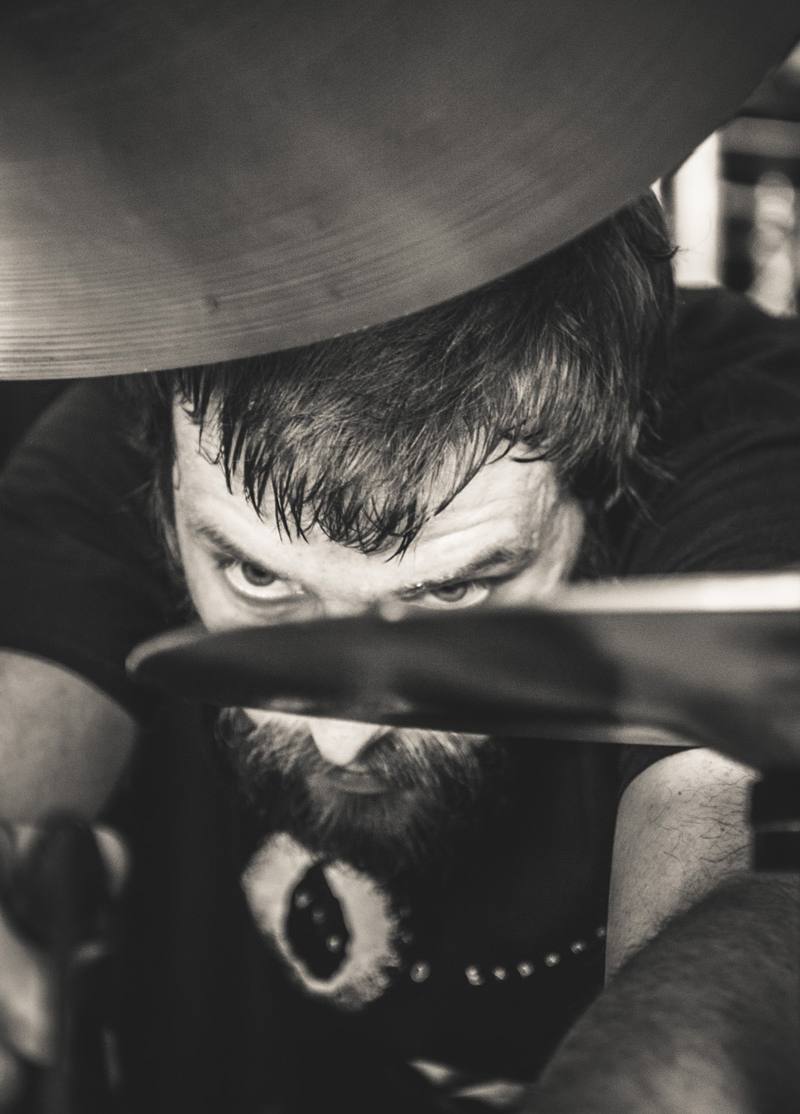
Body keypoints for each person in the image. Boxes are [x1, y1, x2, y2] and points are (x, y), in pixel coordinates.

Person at [0, 190, 799, 1112]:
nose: (342, 737)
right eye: (256, 580)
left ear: (613, 472)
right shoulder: (180, 395)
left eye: (452, 594)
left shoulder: (747, 447)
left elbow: (746, 892)